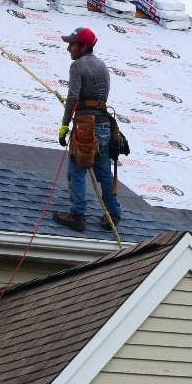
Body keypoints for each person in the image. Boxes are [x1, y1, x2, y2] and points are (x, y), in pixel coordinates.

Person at [53, 27, 123, 232]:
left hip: (86, 127)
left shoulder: (77, 65)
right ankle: (113, 214)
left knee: (77, 170)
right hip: (104, 126)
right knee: (103, 172)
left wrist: (65, 125)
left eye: (72, 44)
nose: (68, 48)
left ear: (83, 47)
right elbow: (95, 97)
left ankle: (77, 215)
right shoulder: (102, 65)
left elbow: (74, 97)